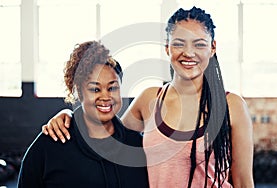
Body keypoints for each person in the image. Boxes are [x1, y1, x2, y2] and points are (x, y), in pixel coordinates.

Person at [42, 7, 254, 188]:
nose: (189, 53)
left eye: (199, 44)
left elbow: (244, 182)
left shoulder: (231, 106)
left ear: (213, 48)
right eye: (179, 43)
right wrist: (68, 113)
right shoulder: (149, 99)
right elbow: (109, 137)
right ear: (167, 48)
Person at [18, 41, 149, 188]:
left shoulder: (137, 145)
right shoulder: (49, 145)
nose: (106, 97)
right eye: (95, 89)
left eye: (112, 88)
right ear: (78, 92)